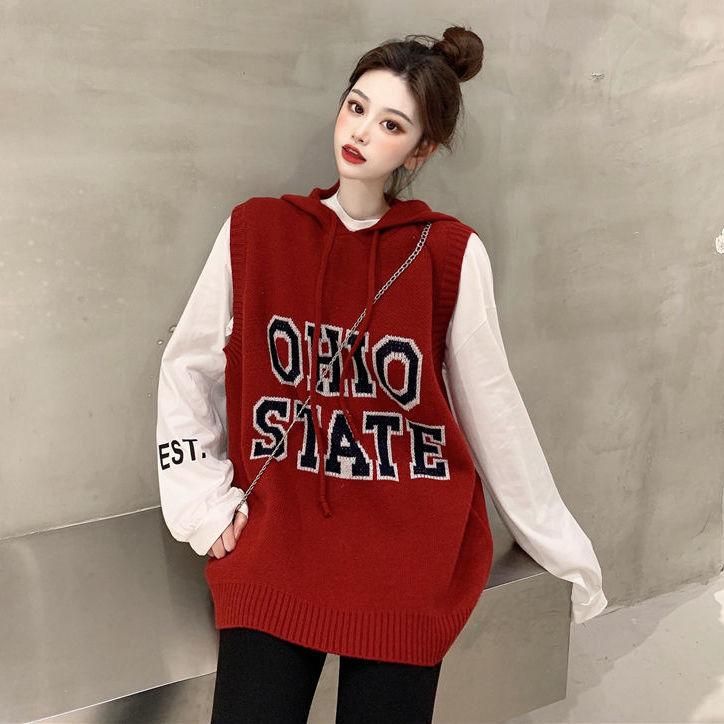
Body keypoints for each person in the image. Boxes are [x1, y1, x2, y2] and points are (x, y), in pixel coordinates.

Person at [156, 25, 608, 723]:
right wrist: (201, 505)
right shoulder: (256, 231)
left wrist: (560, 544)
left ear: (420, 150)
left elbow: (493, 408)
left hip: (406, 550)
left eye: (392, 124)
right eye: (356, 106)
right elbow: (188, 368)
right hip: (279, 538)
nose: (362, 132)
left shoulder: (448, 254)